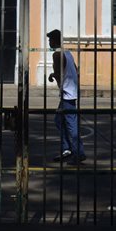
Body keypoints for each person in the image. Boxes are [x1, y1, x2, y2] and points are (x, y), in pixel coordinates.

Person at [48, 29, 84, 164]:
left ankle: (78, 152)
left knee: (71, 125)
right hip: (72, 91)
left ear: (55, 41)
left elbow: (58, 74)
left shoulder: (57, 55)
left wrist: (53, 77)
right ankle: (67, 148)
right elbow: (76, 70)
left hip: (67, 94)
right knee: (59, 120)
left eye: (50, 40)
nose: (49, 42)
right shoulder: (68, 53)